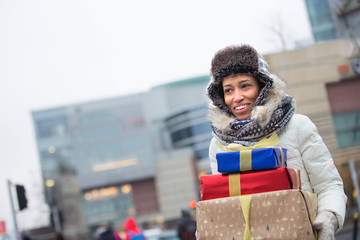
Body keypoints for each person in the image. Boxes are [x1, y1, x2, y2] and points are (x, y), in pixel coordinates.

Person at [206, 44, 347, 240]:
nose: (237, 97)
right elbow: (228, 204)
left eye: (245, 85)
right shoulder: (218, 145)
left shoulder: (298, 127)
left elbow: (328, 185)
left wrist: (329, 217)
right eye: (228, 90)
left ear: (263, 87)